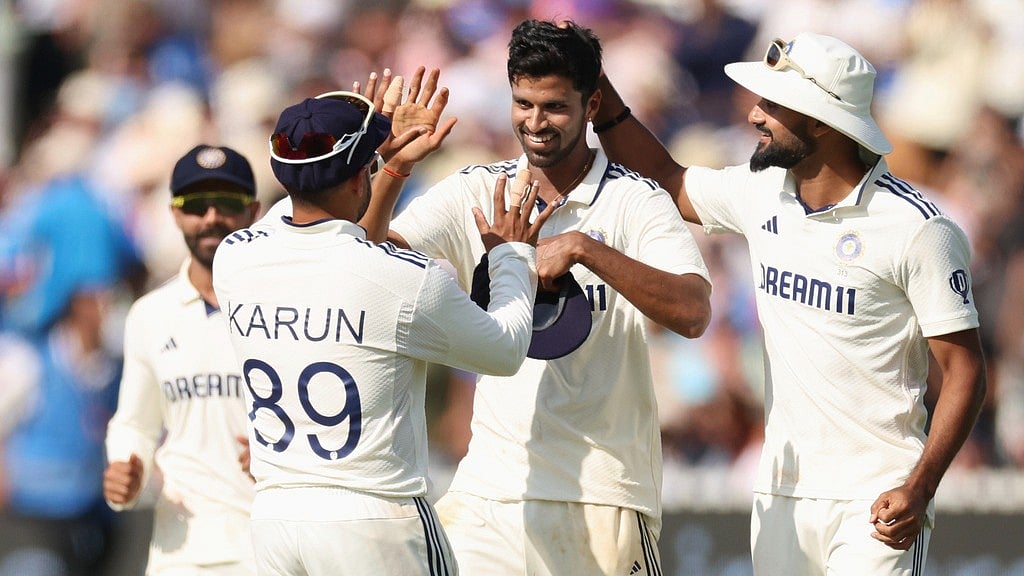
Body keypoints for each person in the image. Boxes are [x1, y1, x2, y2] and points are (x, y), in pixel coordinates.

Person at [593, 32, 987, 575]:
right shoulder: (762, 194)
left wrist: (920, 486)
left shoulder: (917, 228)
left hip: (876, 499)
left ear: (822, 121)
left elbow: (964, 369)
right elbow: (665, 178)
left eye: (773, 105)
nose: (754, 115)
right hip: (781, 494)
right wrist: (599, 87)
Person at [373, 20, 713, 575]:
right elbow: (363, 255)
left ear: (592, 102)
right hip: (492, 490)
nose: (535, 123)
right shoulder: (479, 190)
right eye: (522, 103)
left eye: (553, 106)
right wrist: (395, 165)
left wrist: (582, 249)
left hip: (604, 492)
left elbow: (694, 311)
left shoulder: (634, 201)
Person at [211, 80, 552, 575]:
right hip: (375, 514)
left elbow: (324, 223)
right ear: (357, 179)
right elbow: (503, 352)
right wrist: (511, 255)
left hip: (275, 518)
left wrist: (383, 164)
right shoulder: (405, 278)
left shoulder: (235, 257)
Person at [102, 144, 262, 575]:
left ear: (254, 211)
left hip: (267, 546)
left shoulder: (282, 309)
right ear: (174, 213)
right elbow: (135, 422)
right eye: (195, 204)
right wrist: (126, 471)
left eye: (228, 203)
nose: (212, 217)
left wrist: (284, 448)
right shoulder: (150, 314)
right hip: (179, 550)